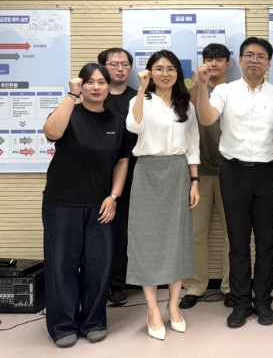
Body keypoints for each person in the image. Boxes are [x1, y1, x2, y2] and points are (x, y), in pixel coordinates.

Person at [194, 37, 273, 329]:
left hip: (269, 173)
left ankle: (263, 301)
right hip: (234, 172)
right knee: (237, 243)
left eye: (261, 56)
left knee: (266, 242)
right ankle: (239, 303)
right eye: (249, 55)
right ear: (239, 60)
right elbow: (207, 118)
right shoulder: (224, 91)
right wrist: (201, 86)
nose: (254, 60)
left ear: (268, 63)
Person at [42, 64, 132, 347]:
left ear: (108, 87)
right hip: (62, 203)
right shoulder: (69, 112)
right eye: (90, 82)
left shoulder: (118, 121)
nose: (96, 87)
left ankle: (93, 321)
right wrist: (71, 96)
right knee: (62, 265)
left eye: (101, 82)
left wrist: (114, 197)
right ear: (81, 85)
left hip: (100, 205)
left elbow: (122, 162)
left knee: (97, 266)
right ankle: (63, 325)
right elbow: (52, 133)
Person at [126, 49, 201, 340]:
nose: (165, 73)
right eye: (159, 68)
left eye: (170, 68)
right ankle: (151, 310)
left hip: (178, 172)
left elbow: (193, 145)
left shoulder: (186, 105)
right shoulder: (140, 100)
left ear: (178, 73)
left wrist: (194, 181)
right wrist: (141, 89)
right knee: (146, 241)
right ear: (149, 72)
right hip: (147, 171)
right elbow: (134, 126)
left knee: (177, 240)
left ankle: (173, 306)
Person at [181, 43, 232, 309]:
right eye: (209, 59)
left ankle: (231, 287)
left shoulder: (234, 91)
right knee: (195, 233)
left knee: (232, 233)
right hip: (197, 173)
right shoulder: (194, 88)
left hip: (230, 171)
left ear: (228, 64)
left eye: (219, 59)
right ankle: (195, 286)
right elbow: (185, 110)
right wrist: (197, 83)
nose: (213, 64)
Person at [98, 47, 138, 306]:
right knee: (98, 227)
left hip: (131, 171)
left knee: (122, 230)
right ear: (103, 67)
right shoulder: (94, 96)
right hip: (96, 173)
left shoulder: (138, 97)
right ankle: (96, 282)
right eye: (114, 64)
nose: (120, 69)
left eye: (124, 64)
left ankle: (117, 282)